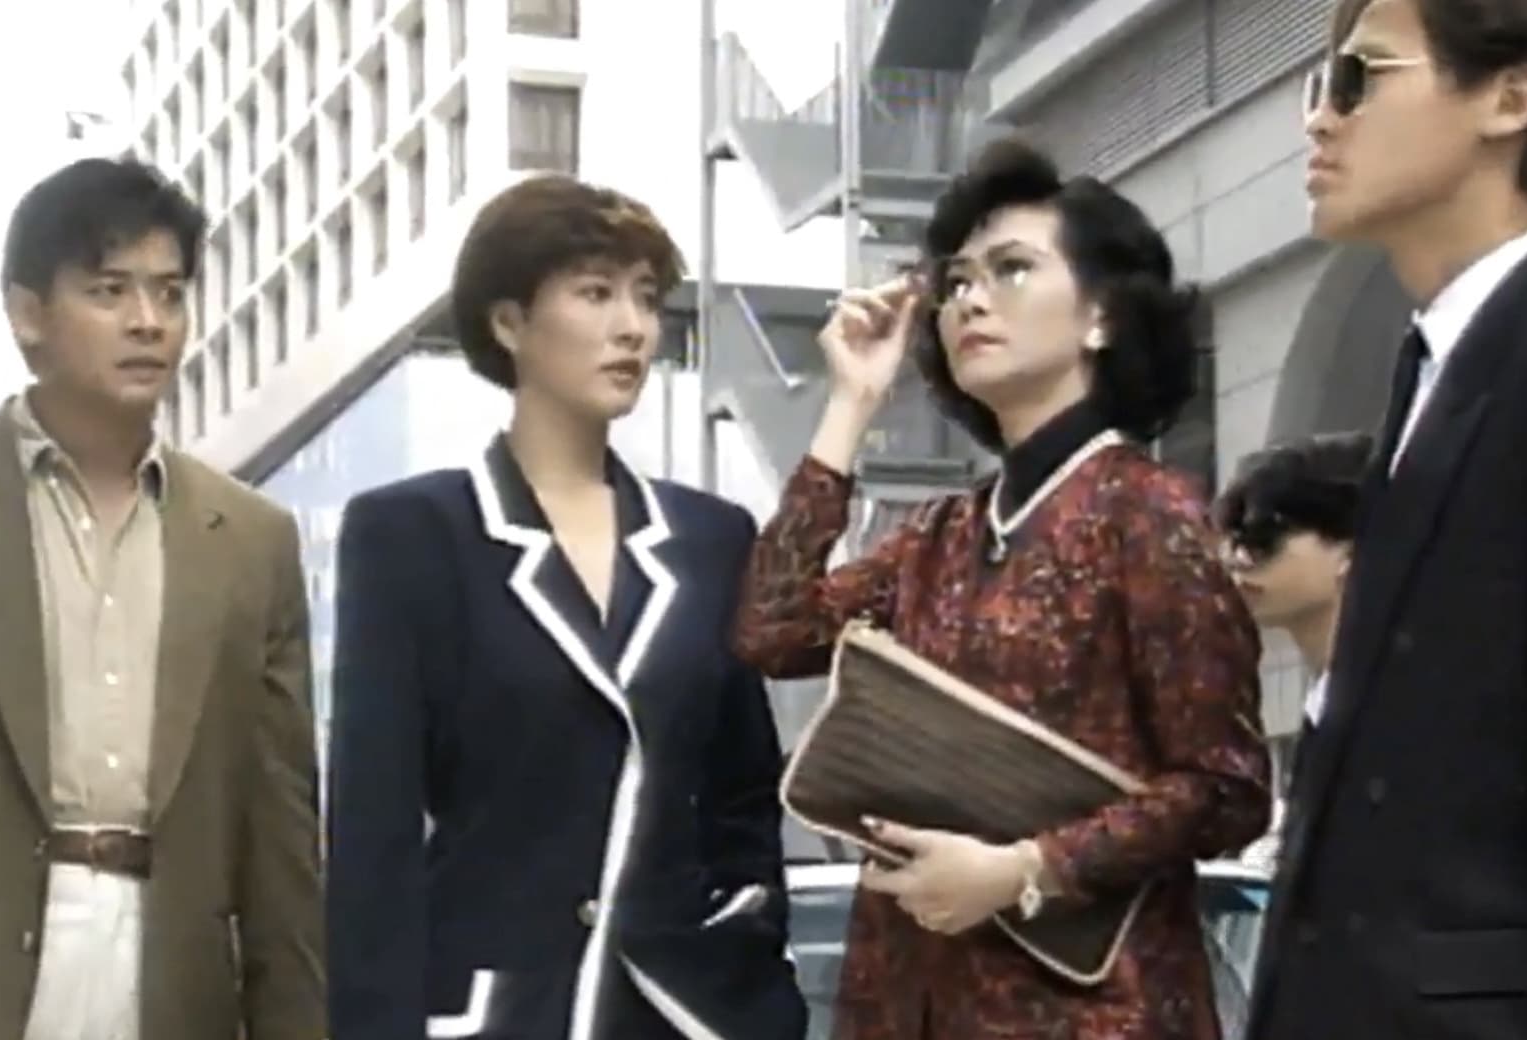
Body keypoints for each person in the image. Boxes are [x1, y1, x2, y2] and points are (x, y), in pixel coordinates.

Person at [732, 135, 1272, 1039]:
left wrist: (1028, 867)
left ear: (1100, 316)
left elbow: (1227, 786)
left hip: (1090, 1012)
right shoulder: (937, 533)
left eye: (1010, 269)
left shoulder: (1150, 514)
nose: (969, 298)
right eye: (955, 282)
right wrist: (850, 403)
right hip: (905, 1000)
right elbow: (771, 632)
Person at [0, 158, 325, 1039]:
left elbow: (281, 843)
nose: (148, 321)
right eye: (109, 291)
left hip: (171, 978)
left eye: (170, 292)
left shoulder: (249, 540)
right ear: (27, 313)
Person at [326, 174, 806, 1040]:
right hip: (493, 1014)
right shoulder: (409, 534)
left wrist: (745, 949)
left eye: (646, 297)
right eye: (595, 293)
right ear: (509, 322)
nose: (633, 327)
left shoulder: (710, 538)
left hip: (678, 1016)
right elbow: (373, 829)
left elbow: (741, 795)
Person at [1249, 0, 1527, 1037]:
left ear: (1511, 98)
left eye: (1358, 78)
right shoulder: (1429, 371)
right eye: (1317, 86)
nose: (1320, 118)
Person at [1213, 431, 1374, 785]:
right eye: (1233, 540)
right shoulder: (1327, 701)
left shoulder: (1399, 702)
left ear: (1349, 550)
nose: (1239, 560)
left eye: (1263, 536)